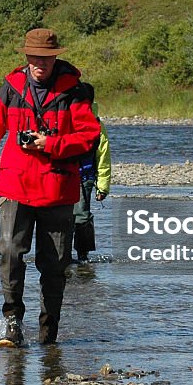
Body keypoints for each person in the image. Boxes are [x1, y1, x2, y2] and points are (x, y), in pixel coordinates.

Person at [0, 28, 101, 347]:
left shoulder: (74, 92)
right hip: (15, 186)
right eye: (34, 56)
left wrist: (51, 143)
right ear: (26, 56)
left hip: (58, 190)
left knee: (54, 266)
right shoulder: (10, 89)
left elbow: (89, 136)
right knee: (10, 252)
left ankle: (48, 335)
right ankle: (13, 325)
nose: (40, 62)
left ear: (55, 57)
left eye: (46, 57)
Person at [71, 82, 111, 263]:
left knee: (79, 215)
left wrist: (102, 186)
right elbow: (104, 156)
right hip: (72, 175)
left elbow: (102, 155)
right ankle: (80, 256)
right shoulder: (95, 122)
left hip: (83, 176)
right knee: (73, 216)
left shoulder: (94, 123)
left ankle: (81, 256)